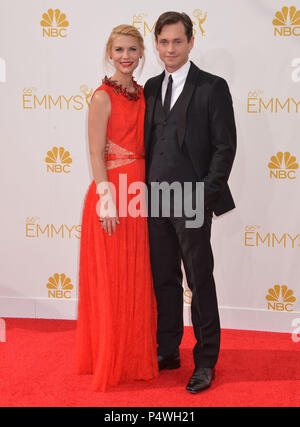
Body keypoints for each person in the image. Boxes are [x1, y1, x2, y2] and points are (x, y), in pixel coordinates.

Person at [144, 12, 236, 393]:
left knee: (199, 282)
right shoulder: (149, 87)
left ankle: (205, 361)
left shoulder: (212, 87)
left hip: (192, 200)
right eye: (163, 42)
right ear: (157, 44)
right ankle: (167, 350)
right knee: (163, 279)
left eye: (177, 41)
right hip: (152, 200)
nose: (170, 49)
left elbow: (224, 148)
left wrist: (203, 196)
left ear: (191, 42)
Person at [75, 25, 158, 391]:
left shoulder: (143, 94)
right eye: (119, 50)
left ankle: (133, 355)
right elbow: (95, 153)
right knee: (112, 280)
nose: (126, 56)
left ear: (142, 54)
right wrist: (106, 202)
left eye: (133, 50)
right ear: (110, 53)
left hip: (138, 194)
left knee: (137, 277)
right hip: (113, 195)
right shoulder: (102, 96)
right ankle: (111, 356)